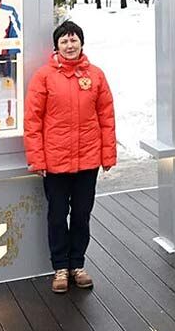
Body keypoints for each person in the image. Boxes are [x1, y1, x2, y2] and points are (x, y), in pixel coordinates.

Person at [24, 21, 116, 293]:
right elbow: (33, 120)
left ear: (81, 43)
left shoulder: (96, 75)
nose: (70, 45)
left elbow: (106, 117)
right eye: (64, 41)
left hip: (88, 161)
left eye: (74, 40)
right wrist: (37, 159)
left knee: (81, 215)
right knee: (56, 215)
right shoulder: (44, 76)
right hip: (55, 161)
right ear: (57, 46)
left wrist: (107, 154)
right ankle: (60, 268)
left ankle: (78, 264)